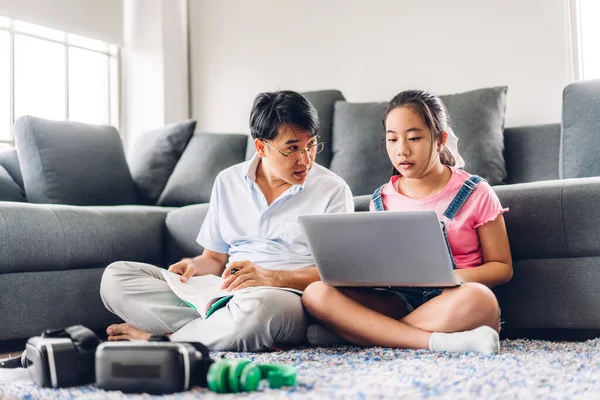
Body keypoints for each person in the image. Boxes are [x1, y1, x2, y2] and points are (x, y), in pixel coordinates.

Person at [100, 90, 353, 351]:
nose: (306, 159)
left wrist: (271, 277)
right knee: (116, 278)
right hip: (224, 293)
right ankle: (219, 331)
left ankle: (163, 341)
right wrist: (190, 267)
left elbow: (337, 274)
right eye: (292, 148)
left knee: (257, 311)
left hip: (284, 297)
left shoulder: (332, 190)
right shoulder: (228, 181)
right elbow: (214, 259)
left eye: (311, 145)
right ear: (261, 147)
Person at [302, 89, 513, 355]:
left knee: (481, 300)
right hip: (397, 299)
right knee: (315, 293)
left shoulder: (476, 191)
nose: (402, 150)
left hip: (453, 299)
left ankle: (360, 332)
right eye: (392, 140)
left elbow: (502, 267)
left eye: (414, 138)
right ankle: (433, 340)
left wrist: (456, 277)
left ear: (440, 140)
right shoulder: (381, 199)